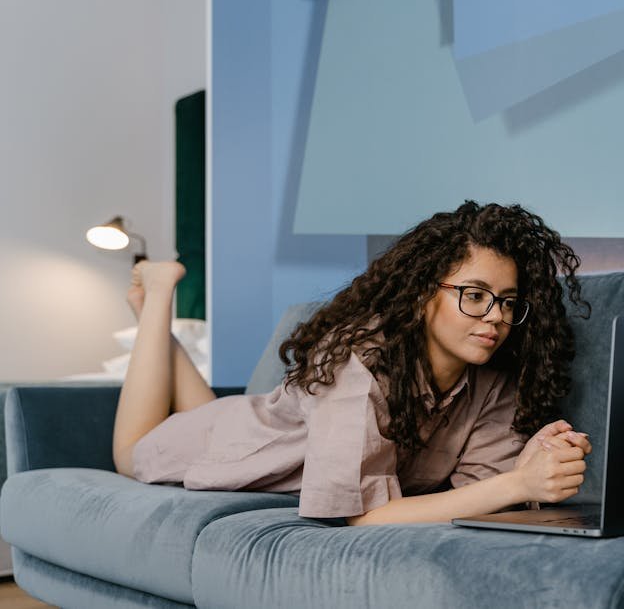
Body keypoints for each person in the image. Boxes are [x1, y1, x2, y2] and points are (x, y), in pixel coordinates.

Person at [112, 201, 592, 525]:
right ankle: (158, 293)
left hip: (253, 426)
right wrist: (516, 484)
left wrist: (523, 470)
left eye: (508, 301)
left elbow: (476, 501)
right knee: (129, 454)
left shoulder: (492, 381)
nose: (496, 317)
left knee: (218, 414)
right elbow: (363, 517)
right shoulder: (357, 361)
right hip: (236, 445)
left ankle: (155, 321)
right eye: (475, 295)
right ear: (422, 294)